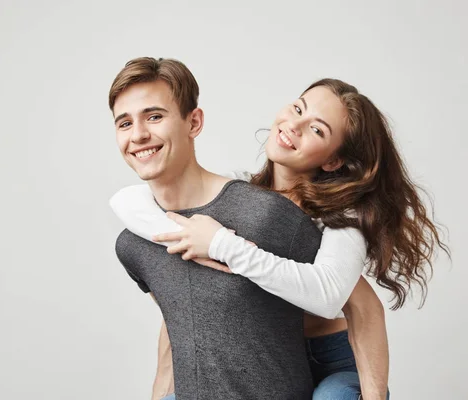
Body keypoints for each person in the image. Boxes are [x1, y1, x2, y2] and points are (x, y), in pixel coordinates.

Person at [111, 72, 447, 399]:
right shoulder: (242, 192)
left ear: (333, 160)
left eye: (316, 129)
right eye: (298, 109)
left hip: (335, 358)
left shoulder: (341, 218)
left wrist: (222, 245)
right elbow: (131, 205)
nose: (294, 126)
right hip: (273, 354)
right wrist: (182, 238)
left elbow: (356, 305)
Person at [110, 56, 328, 399]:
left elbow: (352, 303)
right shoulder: (133, 245)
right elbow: (180, 323)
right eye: (124, 123)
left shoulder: (266, 214)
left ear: (193, 122)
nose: (138, 135)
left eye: (154, 117)